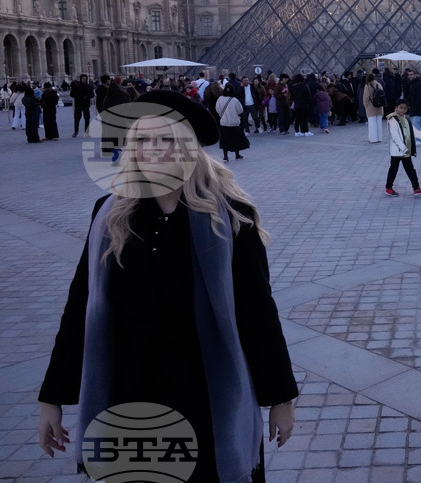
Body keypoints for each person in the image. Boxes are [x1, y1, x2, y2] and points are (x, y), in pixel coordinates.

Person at [37, 89, 297, 481]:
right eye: (142, 139)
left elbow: (257, 309)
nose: (154, 150)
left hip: (206, 395)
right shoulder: (110, 216)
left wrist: (280, 397)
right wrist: (52, 398)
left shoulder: (229, 217)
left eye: (167, 139)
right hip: (131, 391)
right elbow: (80, 308)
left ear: (188, 147)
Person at [385, 100, 421, 197]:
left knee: (410, 169)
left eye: (405, 108)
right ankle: (388, 188)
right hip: (398, 151)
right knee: (394, 169)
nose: (403, 110)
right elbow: (395, 137)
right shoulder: (392, 120)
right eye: (401, 107)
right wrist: (404, 149)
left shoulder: (406, 119)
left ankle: (416, 188)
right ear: (396, 107)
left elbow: (416, 132)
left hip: (406, 151)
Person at [216, 83, 248, 161]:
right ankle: (237, 154)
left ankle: (225, 156)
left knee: (225, 140)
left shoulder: (220, 99)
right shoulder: (234, 100)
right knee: (235, 139)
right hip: (234, 123)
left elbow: (217, 109)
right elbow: (240, 110)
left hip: (224, 123)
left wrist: (222, 115)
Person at [364, 73, 385, 143]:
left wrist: (366, 106)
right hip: (379, 107)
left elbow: (366, 98)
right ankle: (379, 138)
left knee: (372, 124)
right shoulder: (378, 85)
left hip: (371, 107)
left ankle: (373, 139)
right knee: (379, 123)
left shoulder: (367, 86)